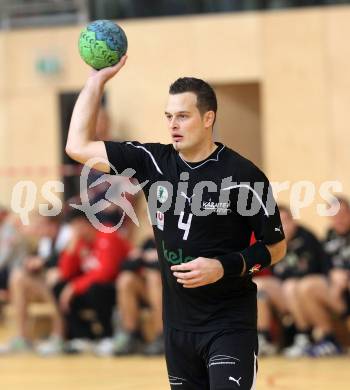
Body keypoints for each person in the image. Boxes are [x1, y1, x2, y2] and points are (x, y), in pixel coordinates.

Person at [65, 57, 286, 390]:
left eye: (183, 116)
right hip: (178, 330)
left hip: (229, 325)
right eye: (169, 116)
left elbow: (277, 247)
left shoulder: (244, 177)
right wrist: (96, 83)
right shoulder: (152, 161)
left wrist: (224, 267)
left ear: (208, 118)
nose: (173, 125)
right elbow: (77, 146)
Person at [255, 205, 328, 357]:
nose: (283, 227)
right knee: (259, 286)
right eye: (278, 224)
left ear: (293, 222)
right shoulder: (274, 243)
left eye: (286, 222)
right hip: (285, 294)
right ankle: (264, 339)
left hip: (305, 296)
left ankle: (304, 336)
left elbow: (313, 270)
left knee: (291, 285)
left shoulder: (306, 238)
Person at [295, 196, 350, 357]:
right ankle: (329, 339)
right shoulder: (330, 235)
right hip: (338, 291)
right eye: (334, 215)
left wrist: (345, 274)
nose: (338, 219)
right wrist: (332, 274)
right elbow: (323, 264)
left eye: (342, 214)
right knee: (306, 286)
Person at [95, 237, 163, 356]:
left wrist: (156, 259)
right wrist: (144, 258)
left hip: (175, 290)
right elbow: (125, 265)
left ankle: (162, 336)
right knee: (125, 279)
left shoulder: (176, 237)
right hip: (150, 293)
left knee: (154, 277)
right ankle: (132, 335)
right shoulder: (148, 243)